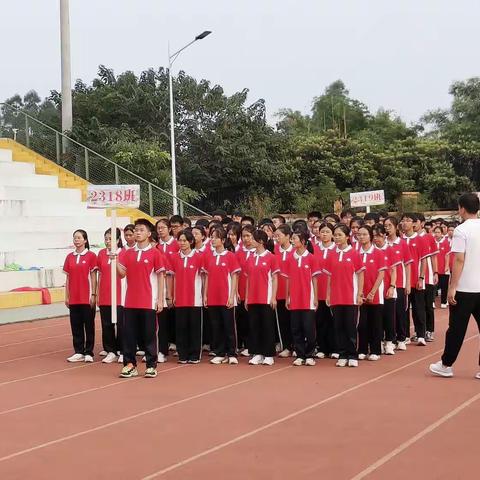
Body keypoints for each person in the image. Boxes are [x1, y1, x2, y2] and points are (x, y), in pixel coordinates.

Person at [430, 193, 480, 379]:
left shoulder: (461, 230)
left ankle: (446, 365)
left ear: (462, 209)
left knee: (456, 329)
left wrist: (452, 287)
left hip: (465, 289)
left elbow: (459, 259)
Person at [117, 219, 166, 378]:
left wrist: (160, 299)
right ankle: (130, 364)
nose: (138, 232)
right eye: (136, 230)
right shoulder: (127, 253)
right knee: (129, 334)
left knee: (149, 334)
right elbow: (122, 274)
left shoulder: (155, 253)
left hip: (148, 301)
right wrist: (114, 260)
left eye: (141, 230)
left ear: (149, 234)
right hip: (130, 301)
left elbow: (160, 277)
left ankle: (151, 365)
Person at [324, 224, 364, 367]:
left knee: (350, 327)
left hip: (350, 297)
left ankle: (352, 354)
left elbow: (360, 274)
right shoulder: (332, 254)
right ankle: (342, 354)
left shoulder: (354, 253)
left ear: (347, 237)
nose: (336, 237)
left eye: (339, 235)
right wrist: (328, 294)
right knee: (338, 327)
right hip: (336, 297)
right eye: (335, 235)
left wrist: (360, 293)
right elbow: (329, 276)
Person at [203, 228, 241, 365]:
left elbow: (234, 276)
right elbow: (207, 277)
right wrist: (205, 295)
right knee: (216, 326)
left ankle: (231, 353)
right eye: (211, 237)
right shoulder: (209, 256)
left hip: (226, 297)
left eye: (215, 237)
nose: (212, 240)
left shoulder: (230, 256)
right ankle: (219, 352)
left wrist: (232, 296)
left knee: (229, 326)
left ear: (223, 240)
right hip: (213, 297)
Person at [284, 231, 321, 366]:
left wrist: (315, 297)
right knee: (296, 328)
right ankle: (300, 354)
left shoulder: (311, 258)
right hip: (294, 299)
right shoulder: (289, 258)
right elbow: (288, 279)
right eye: (292, 238)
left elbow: (315, 279)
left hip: (308, 299)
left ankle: (310, 354)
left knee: (309, 328)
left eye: (295, 238)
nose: (292, 241)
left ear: (303, 241)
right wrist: (288, 296)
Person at [245, 230, 279, 365]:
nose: (250, 241)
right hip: (253, 298)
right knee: (254, 326)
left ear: (260, 241)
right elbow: (248, 279)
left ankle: (269, 354)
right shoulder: (250, 257)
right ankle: (257, 353)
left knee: (267, 326)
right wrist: (247, 297)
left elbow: (275, 278)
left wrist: (273, 297)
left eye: (253, 239)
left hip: (266, 298)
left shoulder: (271, 257)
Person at [169, 229, 204, 364]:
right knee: (181, 327)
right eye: (180, 240)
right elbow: (172, 277)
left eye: (184, 240)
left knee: (194, 328)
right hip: (180, 298)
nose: (182, 243)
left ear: (190, 241)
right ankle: (183, 355)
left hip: (195, 299)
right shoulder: (174, 257)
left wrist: (204, 295)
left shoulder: (199, 256)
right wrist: (171, 295)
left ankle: (195, 355)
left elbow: (205, 277)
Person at [63, 230, 97, 363]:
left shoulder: (91, 256)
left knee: (88, 325)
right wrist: (67, 296)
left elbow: (94, 277)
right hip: (74, 298)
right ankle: (78, 351)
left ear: (85, 240)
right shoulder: (69, 257)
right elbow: (68, 278)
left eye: (79, 237)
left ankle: (89, 352)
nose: (76, 240)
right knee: (75, 325)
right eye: (74, 238)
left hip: (87, 297)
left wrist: (94, 294)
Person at [357, 225, 387, 361]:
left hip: (375, 294)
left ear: (370, 236)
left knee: (375, 323)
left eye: (364, 234)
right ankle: (362, 349)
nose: (361, 237)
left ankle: (375, 350)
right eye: (359, 234)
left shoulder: (378, 253)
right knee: (362, 323)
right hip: (360, 294)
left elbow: (381, 274)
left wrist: (372, 292)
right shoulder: (355, 253)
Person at [401, 213, 429, 346]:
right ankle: (405, 335)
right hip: (402, 281)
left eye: (408, 220)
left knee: (418, 308)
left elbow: (423, 260)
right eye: (403, 220)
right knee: (404, 309)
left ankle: (421, 334)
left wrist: (421, 277)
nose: (404, 223)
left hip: (416, 279)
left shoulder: (420, 239)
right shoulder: (400, 240)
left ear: (413, 223)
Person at [385, 216, 412, 351]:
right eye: (385, 226)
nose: (387, 228)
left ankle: (401, 337)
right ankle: (390, 338)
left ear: (396, 227)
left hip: (400, 283)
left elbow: (407, 265)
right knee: (388, 313)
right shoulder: (382, 243)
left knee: (400, 311)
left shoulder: (402, 243)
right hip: (386, 283)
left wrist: (407, 283)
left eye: (389, 225)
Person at [96, 228, 123, 364]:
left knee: (121, 324)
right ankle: (111, 350)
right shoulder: (101, 254)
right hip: (105, 295)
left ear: (118, 240)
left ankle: (122, 350)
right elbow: (100, 274)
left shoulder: (124, 253)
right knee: (107, 325)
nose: (107, 241)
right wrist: (97, 294)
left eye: (110, 239)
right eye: (106, 239)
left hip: (120, 295)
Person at [373, 223, 399, 355]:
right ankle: (378, 342)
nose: (376, 238)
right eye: (374, 236)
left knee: (389, 317)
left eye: (378, 235)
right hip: (375, 289)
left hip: (387, 287)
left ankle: (389, 342)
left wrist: (392, 286)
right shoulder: (371, 250)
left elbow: (394, 270)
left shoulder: (390, 250)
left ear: (384, 235)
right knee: (377, 318)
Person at [155, 218, 179, 360]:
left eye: (163, 227)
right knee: (161, 320)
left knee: (175, 317)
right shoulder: (156, 247)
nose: (160, 230)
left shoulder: (177, 244)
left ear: (169, 229)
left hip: (175, 285)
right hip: (160, 286)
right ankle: (162, 349)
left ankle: (176, 343)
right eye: (158, 228)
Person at [314, 223, 337, 359]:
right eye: (322, 231)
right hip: (318, 290)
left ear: (332, 234)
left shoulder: (337, 249)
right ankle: (322, 347)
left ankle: (335, 347)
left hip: (333, 291)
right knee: (320, 321)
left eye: (327, 232)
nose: (324, 234)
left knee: (333, 321)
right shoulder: (314, 249)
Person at [273, 224, 294, 357]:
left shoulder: (295, 251)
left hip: (294, 291)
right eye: (275, 236)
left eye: (278, 236)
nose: (276, 238)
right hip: (279, 291)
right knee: (282, 321)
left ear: (288, 236)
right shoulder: (275, 250)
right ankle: (286, 345)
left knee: (295, 321)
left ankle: (297, 345)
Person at [235, 225, 257, 356]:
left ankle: (253, 345)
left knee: (253, 320)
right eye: (244, 236)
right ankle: (246, 345)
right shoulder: (239, 252)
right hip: (242, 291)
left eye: (248, 236)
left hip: (255, 292)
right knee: (243, 321)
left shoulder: (259, 252)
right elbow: (236, 274)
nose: (246, 239)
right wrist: (236, 291)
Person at [433, 226, 450, 309]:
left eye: (438, 232)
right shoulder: (432, 242)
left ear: (442, 233)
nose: (436, 234)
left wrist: (446, 266)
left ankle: (444, 301)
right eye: (435, 232)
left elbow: (447, 255)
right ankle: (432, 301)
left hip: (443, 268)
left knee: (444, 286)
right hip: (434, 268)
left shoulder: (446, 242)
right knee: (433, 286)